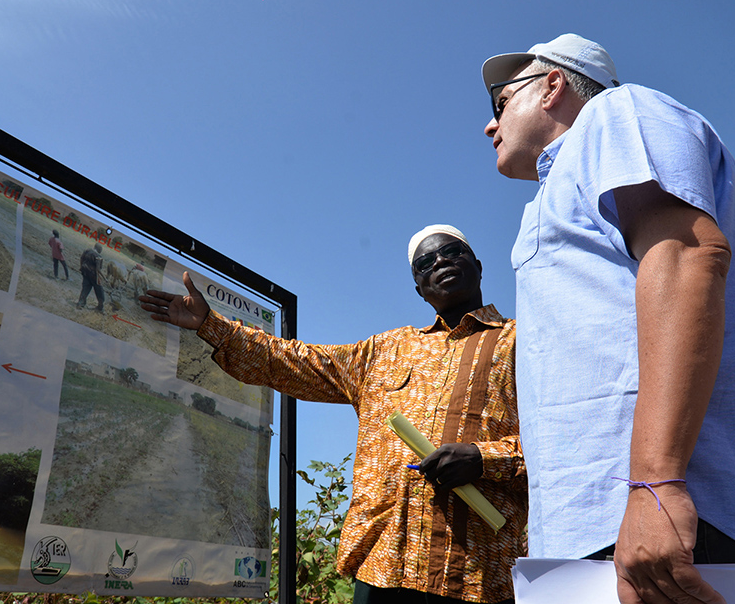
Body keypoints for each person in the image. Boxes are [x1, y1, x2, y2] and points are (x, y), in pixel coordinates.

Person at [480, 33, 735, 603]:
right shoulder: (557, 188)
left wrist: (655, 483)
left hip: (679, 527)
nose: (490, 127)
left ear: (552, 86)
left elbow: (687, 253)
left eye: (499, 104)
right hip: (602, 538)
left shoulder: (616, 116)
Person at [140, 225, 525, 604]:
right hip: (383, 563)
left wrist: (483, 459)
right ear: (418, 288)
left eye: (452, 251)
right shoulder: (384, 351)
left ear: (477, 264)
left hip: (476, 571)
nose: (441, 260)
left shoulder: (522, 342)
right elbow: (293, 362)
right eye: (425, 262)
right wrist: (212, 326)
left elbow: (567, 443)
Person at [77, 243, 105, 312]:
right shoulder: (98, 256)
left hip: (85, 272)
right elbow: (98, 270)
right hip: (93, 275)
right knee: (100, 292)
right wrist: (104, 278)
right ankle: (100, 307)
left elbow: (81, 259)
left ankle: (80, 303)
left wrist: (81, 267)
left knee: (85, 288)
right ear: (99, 250)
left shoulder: (87, 251)